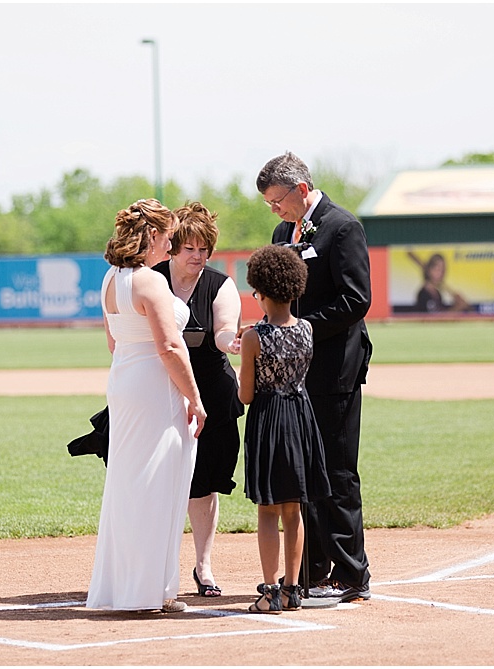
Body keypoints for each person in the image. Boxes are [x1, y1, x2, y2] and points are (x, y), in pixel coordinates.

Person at [257, 151, 373, 602]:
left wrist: (303, 329)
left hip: (335, 370)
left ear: (301, 190)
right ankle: (309, 572)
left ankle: (351, 575)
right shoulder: (281, 232)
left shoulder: (342, 227)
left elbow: (355, 300)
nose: (275, 210)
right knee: (304, 475)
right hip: (294, 374)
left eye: (277, 200)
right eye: (269, 203)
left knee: (338, 473)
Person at [86, 198, 206, 614]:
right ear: (152, 235)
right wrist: (194, 396)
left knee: (129, 484)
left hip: (125, 379)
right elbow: (170, 346)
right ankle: (150, 590)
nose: (172, 245)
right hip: (154, 386)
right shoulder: (150, 282)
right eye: (169, 236)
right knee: (157, 484)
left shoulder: (108, 280)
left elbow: (112, 342)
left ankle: (137, 587)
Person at [152, 201, 244, 598]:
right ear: (173, 247)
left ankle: (203, 567)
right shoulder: (151, 279)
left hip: (211, 392)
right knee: (162, 480)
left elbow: (224, 330)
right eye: (190, 248)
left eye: (204, 249)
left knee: (205, 484)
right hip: (161, 390)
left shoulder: (219, 284)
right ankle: (156, 568)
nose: (198, 256)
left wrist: (233, 342)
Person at [238, 244, 331, 613]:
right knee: (294, 509)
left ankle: (270, 591)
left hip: (268, 419)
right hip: (300, 417)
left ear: (259, 291)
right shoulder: (307, 329)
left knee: (268, 510)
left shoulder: (253, 337)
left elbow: (246, 395)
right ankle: (293, 589)